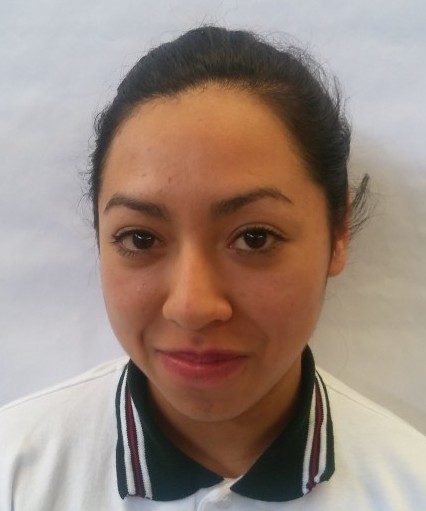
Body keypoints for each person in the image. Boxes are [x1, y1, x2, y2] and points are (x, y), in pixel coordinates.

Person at [0, 26, 425, 510]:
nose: (192, 308)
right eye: (140, 239)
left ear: (338, 231)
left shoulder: (408, 488)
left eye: (255, 237)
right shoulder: (15, 473)